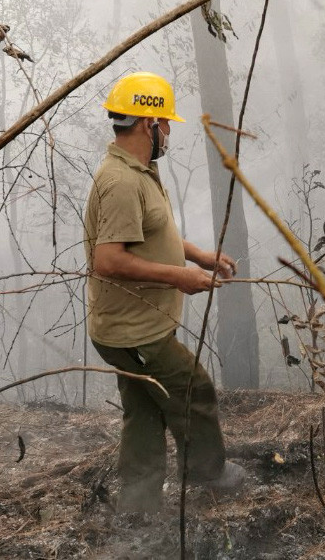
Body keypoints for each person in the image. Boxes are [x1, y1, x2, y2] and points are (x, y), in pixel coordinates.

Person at [84, 71, 246, 512]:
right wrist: (180, 278)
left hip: (133, 326)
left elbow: (156, 233)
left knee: (144, 409)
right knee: (193, 389)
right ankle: (210, 476)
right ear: (146, 124)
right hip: (133, 331)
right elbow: (108, 261)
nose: (170, 131)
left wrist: (195, 255)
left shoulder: (140, 171)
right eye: (166, 123)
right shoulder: (121, 182)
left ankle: (137, 506)